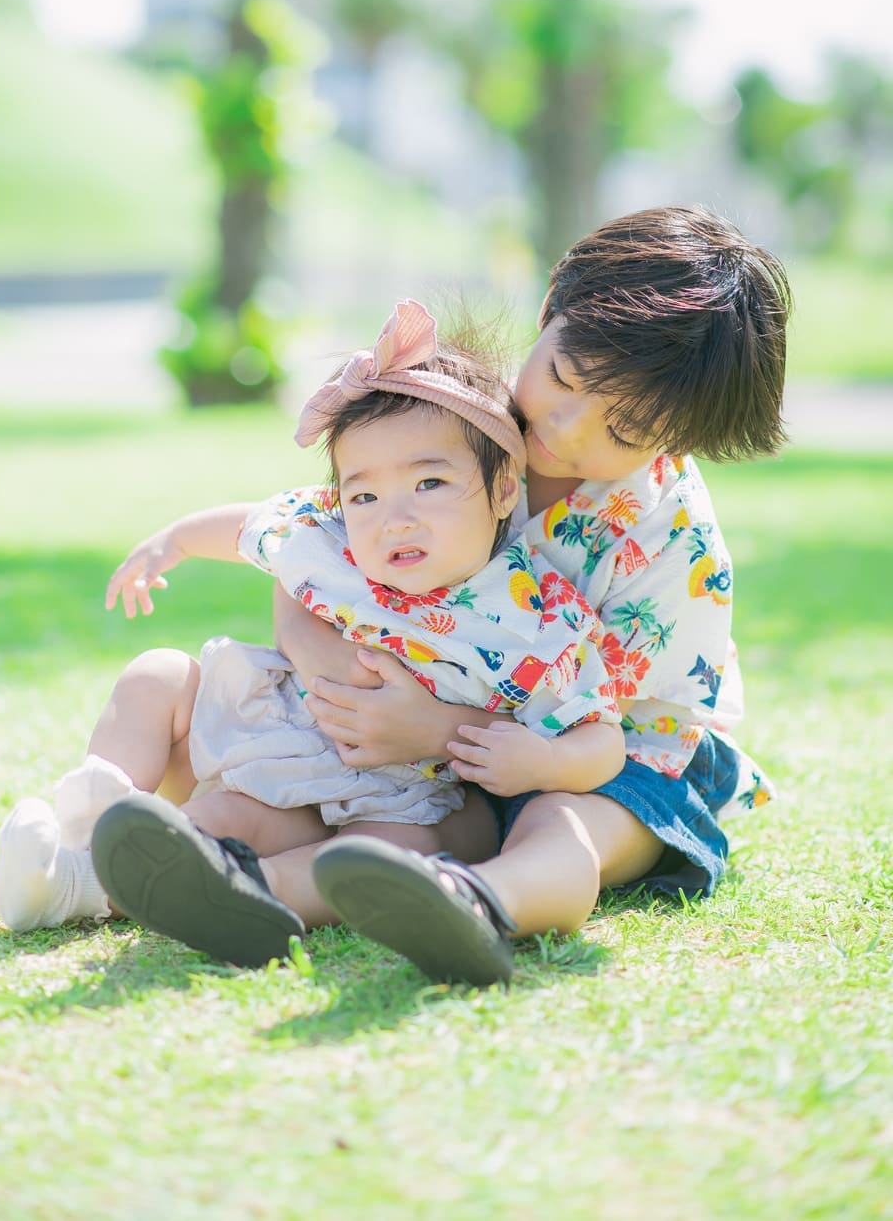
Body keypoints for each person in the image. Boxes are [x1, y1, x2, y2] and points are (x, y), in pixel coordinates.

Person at [86, 204, 789, 986]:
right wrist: (326, 666)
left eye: (621, 432)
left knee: (558, 823)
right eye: (562, 377)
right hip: (419, 760)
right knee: (295, 779)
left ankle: (478, 899)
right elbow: (319, 555)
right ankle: (220, 879)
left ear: (676, 440)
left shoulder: (670, 542)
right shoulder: (450, 420)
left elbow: (617, 734)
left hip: (595, 760)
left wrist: (440, 728)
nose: (565, 428)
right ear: (550, 309)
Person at [0, 301, 623, 967]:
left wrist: (547, 762)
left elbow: (602, 735)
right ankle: (93, 820)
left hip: (392, 790)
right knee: (161, 679)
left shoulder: (537, 613)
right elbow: (257, 525)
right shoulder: (334, 538)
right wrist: (172, 541)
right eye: (364, 496)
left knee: (388, 848)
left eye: (430, 482)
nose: (394, 518)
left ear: (502, 491)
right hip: (275, 738)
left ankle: (241, 895)